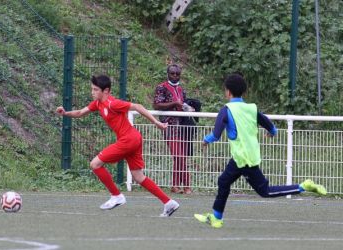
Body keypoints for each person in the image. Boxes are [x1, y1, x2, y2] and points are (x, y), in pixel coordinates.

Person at [194, 73, 327, 228]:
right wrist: (272, 132)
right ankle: (216, 217)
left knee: (265, 191)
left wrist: (205, 140)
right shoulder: (251, 108)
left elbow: (216, 135)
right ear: (244, 92)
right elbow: (268, 124)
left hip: (244, 159)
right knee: (223, 181)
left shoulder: (226, 110)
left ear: (228, 92)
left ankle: (303, 186)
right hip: (244, 156)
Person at [56, 74, 179, 217]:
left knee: (95, 164)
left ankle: (116, 196)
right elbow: (80, 113)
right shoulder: (97, 104)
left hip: (129, 140)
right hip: (133, 139)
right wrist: (65, 113)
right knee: (138, 176)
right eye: (92, 89)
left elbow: (137, 106)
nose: (92, 92)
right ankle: (168, 202)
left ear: (106, 91)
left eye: (96, 90)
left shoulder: (112, 103)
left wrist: (156, 122)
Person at [153, 64, 193, 194]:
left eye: (177, 74)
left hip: (182, 127)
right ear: (168, 74)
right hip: (169, 126)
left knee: (181, 157)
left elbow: (184, 104)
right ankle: (187, 186)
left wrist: (188, 107)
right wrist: (174, 104)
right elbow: (157, 105)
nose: (175, 76)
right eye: (172, 73)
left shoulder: (182, 89)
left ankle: (175, 185)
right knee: (179, 155)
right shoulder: (161, 87)